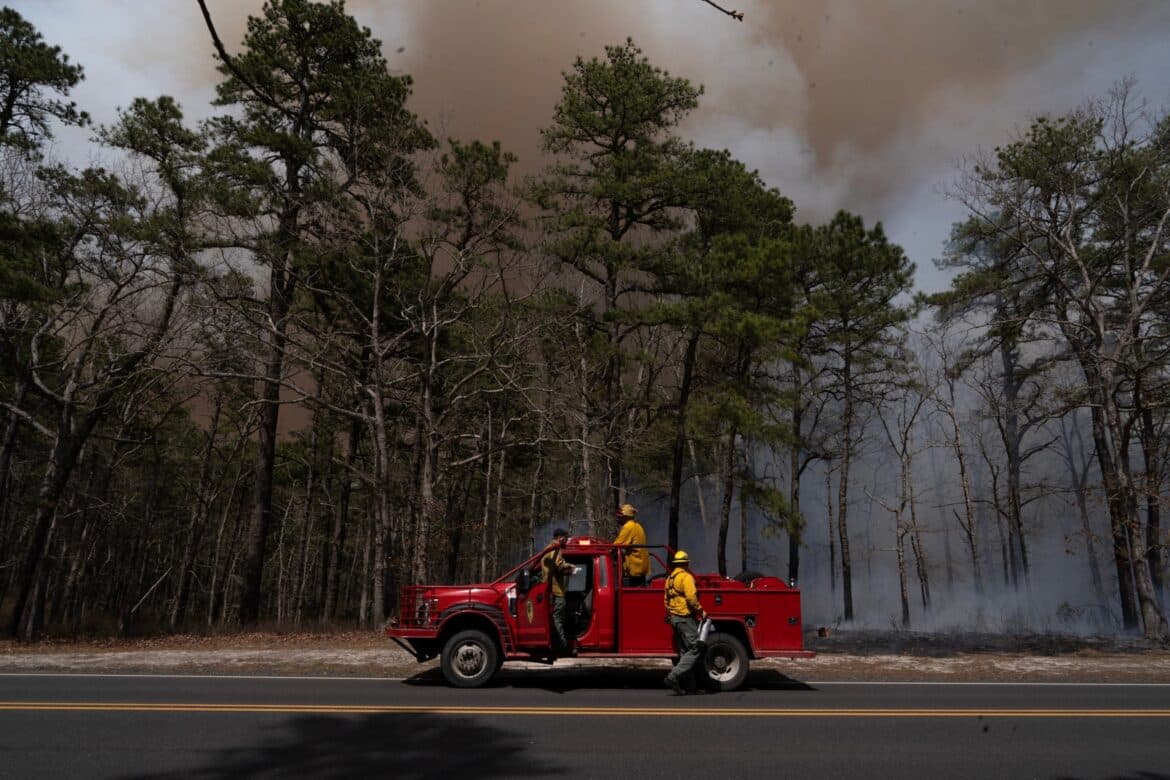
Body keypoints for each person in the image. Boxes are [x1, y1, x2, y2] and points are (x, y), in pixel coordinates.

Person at [663, 549, 707, 695]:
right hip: (685, 618)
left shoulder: (670, 579)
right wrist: (701, 611)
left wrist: (671, 614)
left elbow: (665, 600)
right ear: (686, 563)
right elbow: (691, 598)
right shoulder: (686, 577)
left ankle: (690, 686)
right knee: (695, 648)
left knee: (684, 652)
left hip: (675, 619)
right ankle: (673, 676)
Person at [541, 527, 577, 655]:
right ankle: (562, 646)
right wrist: (572, 568)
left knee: (557, 618)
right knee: (558, 619)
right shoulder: (554, 549)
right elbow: (560, 565)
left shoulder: (549, 549)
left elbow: (557, 569)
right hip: (556, 591)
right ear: (560, 537)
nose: (566, 540)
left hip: (553, 590)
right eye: (565, 538)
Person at [613, 503, 649, 586]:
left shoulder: (628, 527)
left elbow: (616, 545)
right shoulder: (638, 526)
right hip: (641, 566)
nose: (618, 519)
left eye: (620, 517)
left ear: (626, 517)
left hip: (634, 568)